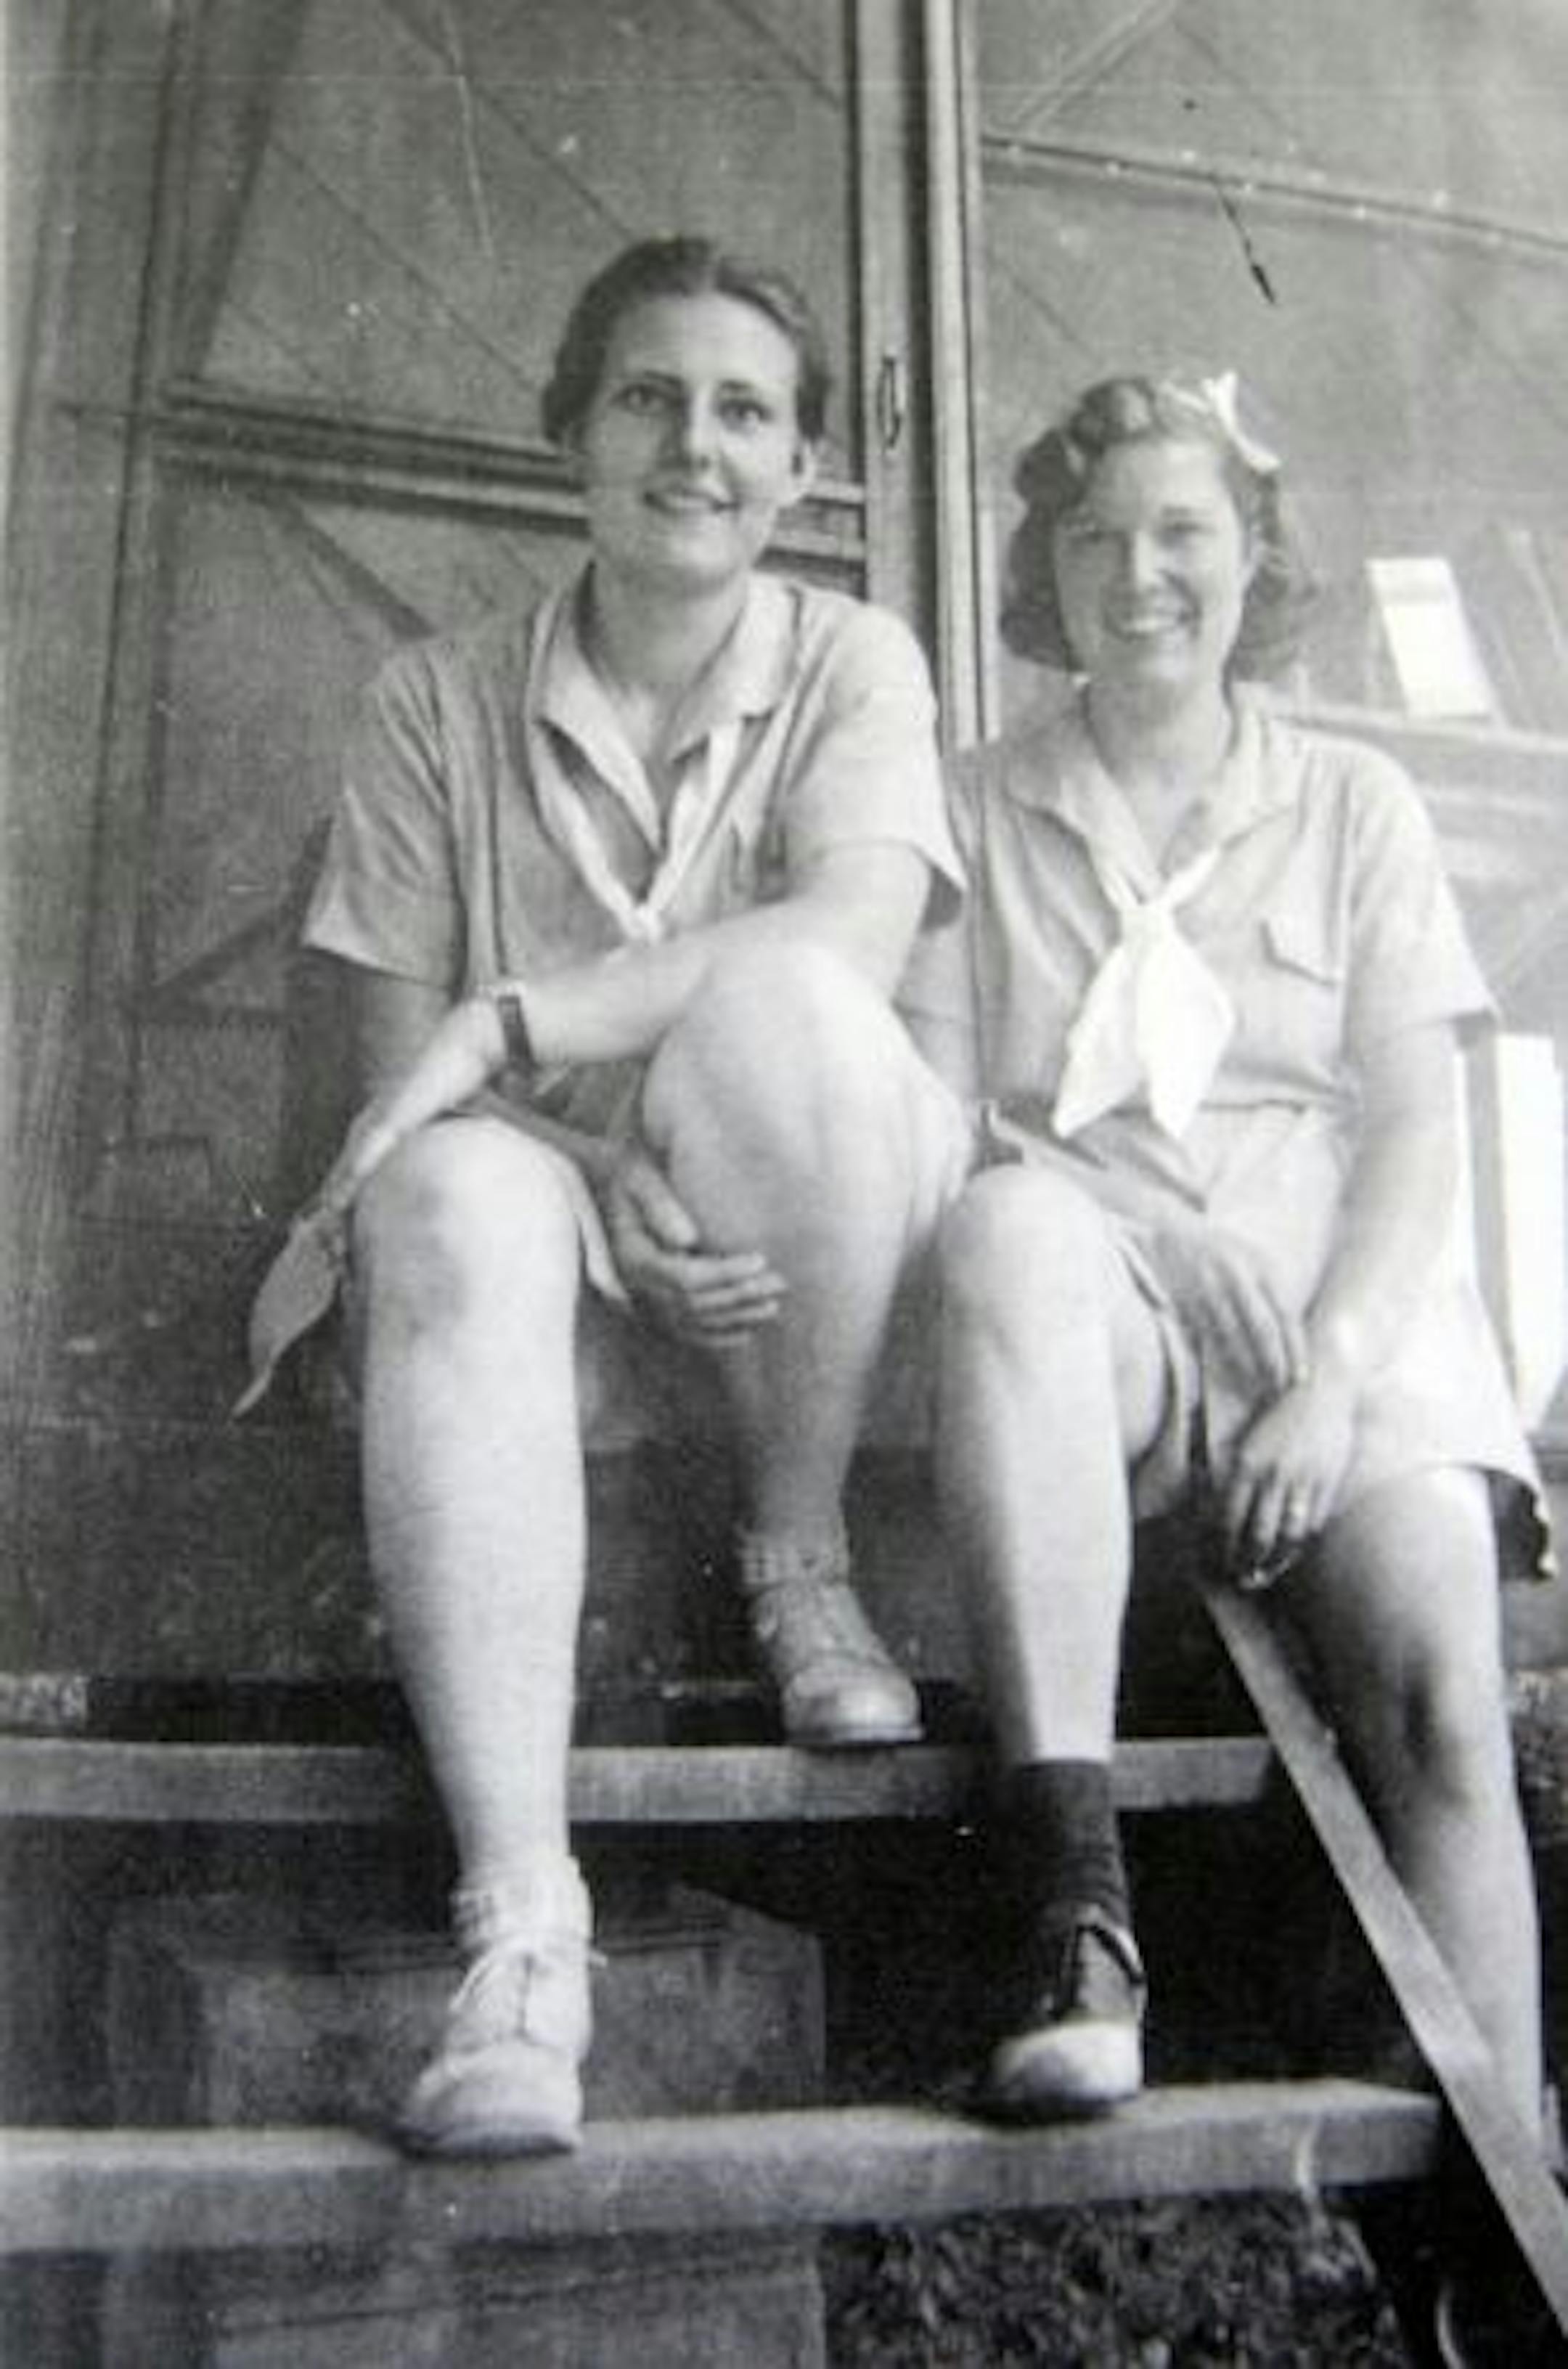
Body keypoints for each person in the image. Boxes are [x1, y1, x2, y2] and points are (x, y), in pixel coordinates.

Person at [285, 236, 970, 2156]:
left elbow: (854, 931)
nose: (696, 447)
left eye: (747, 411)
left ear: (804, 465)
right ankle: (521, 1937)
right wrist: (596, 1171)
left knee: (796, 1012)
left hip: (801, 1288)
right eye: (648, 399)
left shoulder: (855, 662)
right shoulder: (432, 702)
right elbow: (394, 1097)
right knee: (454, 1198)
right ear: (570, 434)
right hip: (538, 1278)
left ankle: (796, 1555)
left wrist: (519, 1018)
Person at [902, 372, 1552, 2134]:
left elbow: (1415, 1128)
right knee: (1006, 1230)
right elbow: (942, 1122)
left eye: (1183, 532)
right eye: (1093, 538)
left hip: (1344, 1301)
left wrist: (1331, 1380)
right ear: (1046, 569)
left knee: (1435, 1695)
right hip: (1101, 1305)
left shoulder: (1352, 800)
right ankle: (1078, 1930)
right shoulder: (971, 805)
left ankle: (1507, 2185)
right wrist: (1154, 1243)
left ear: (1254, 557)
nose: (1139, 576)